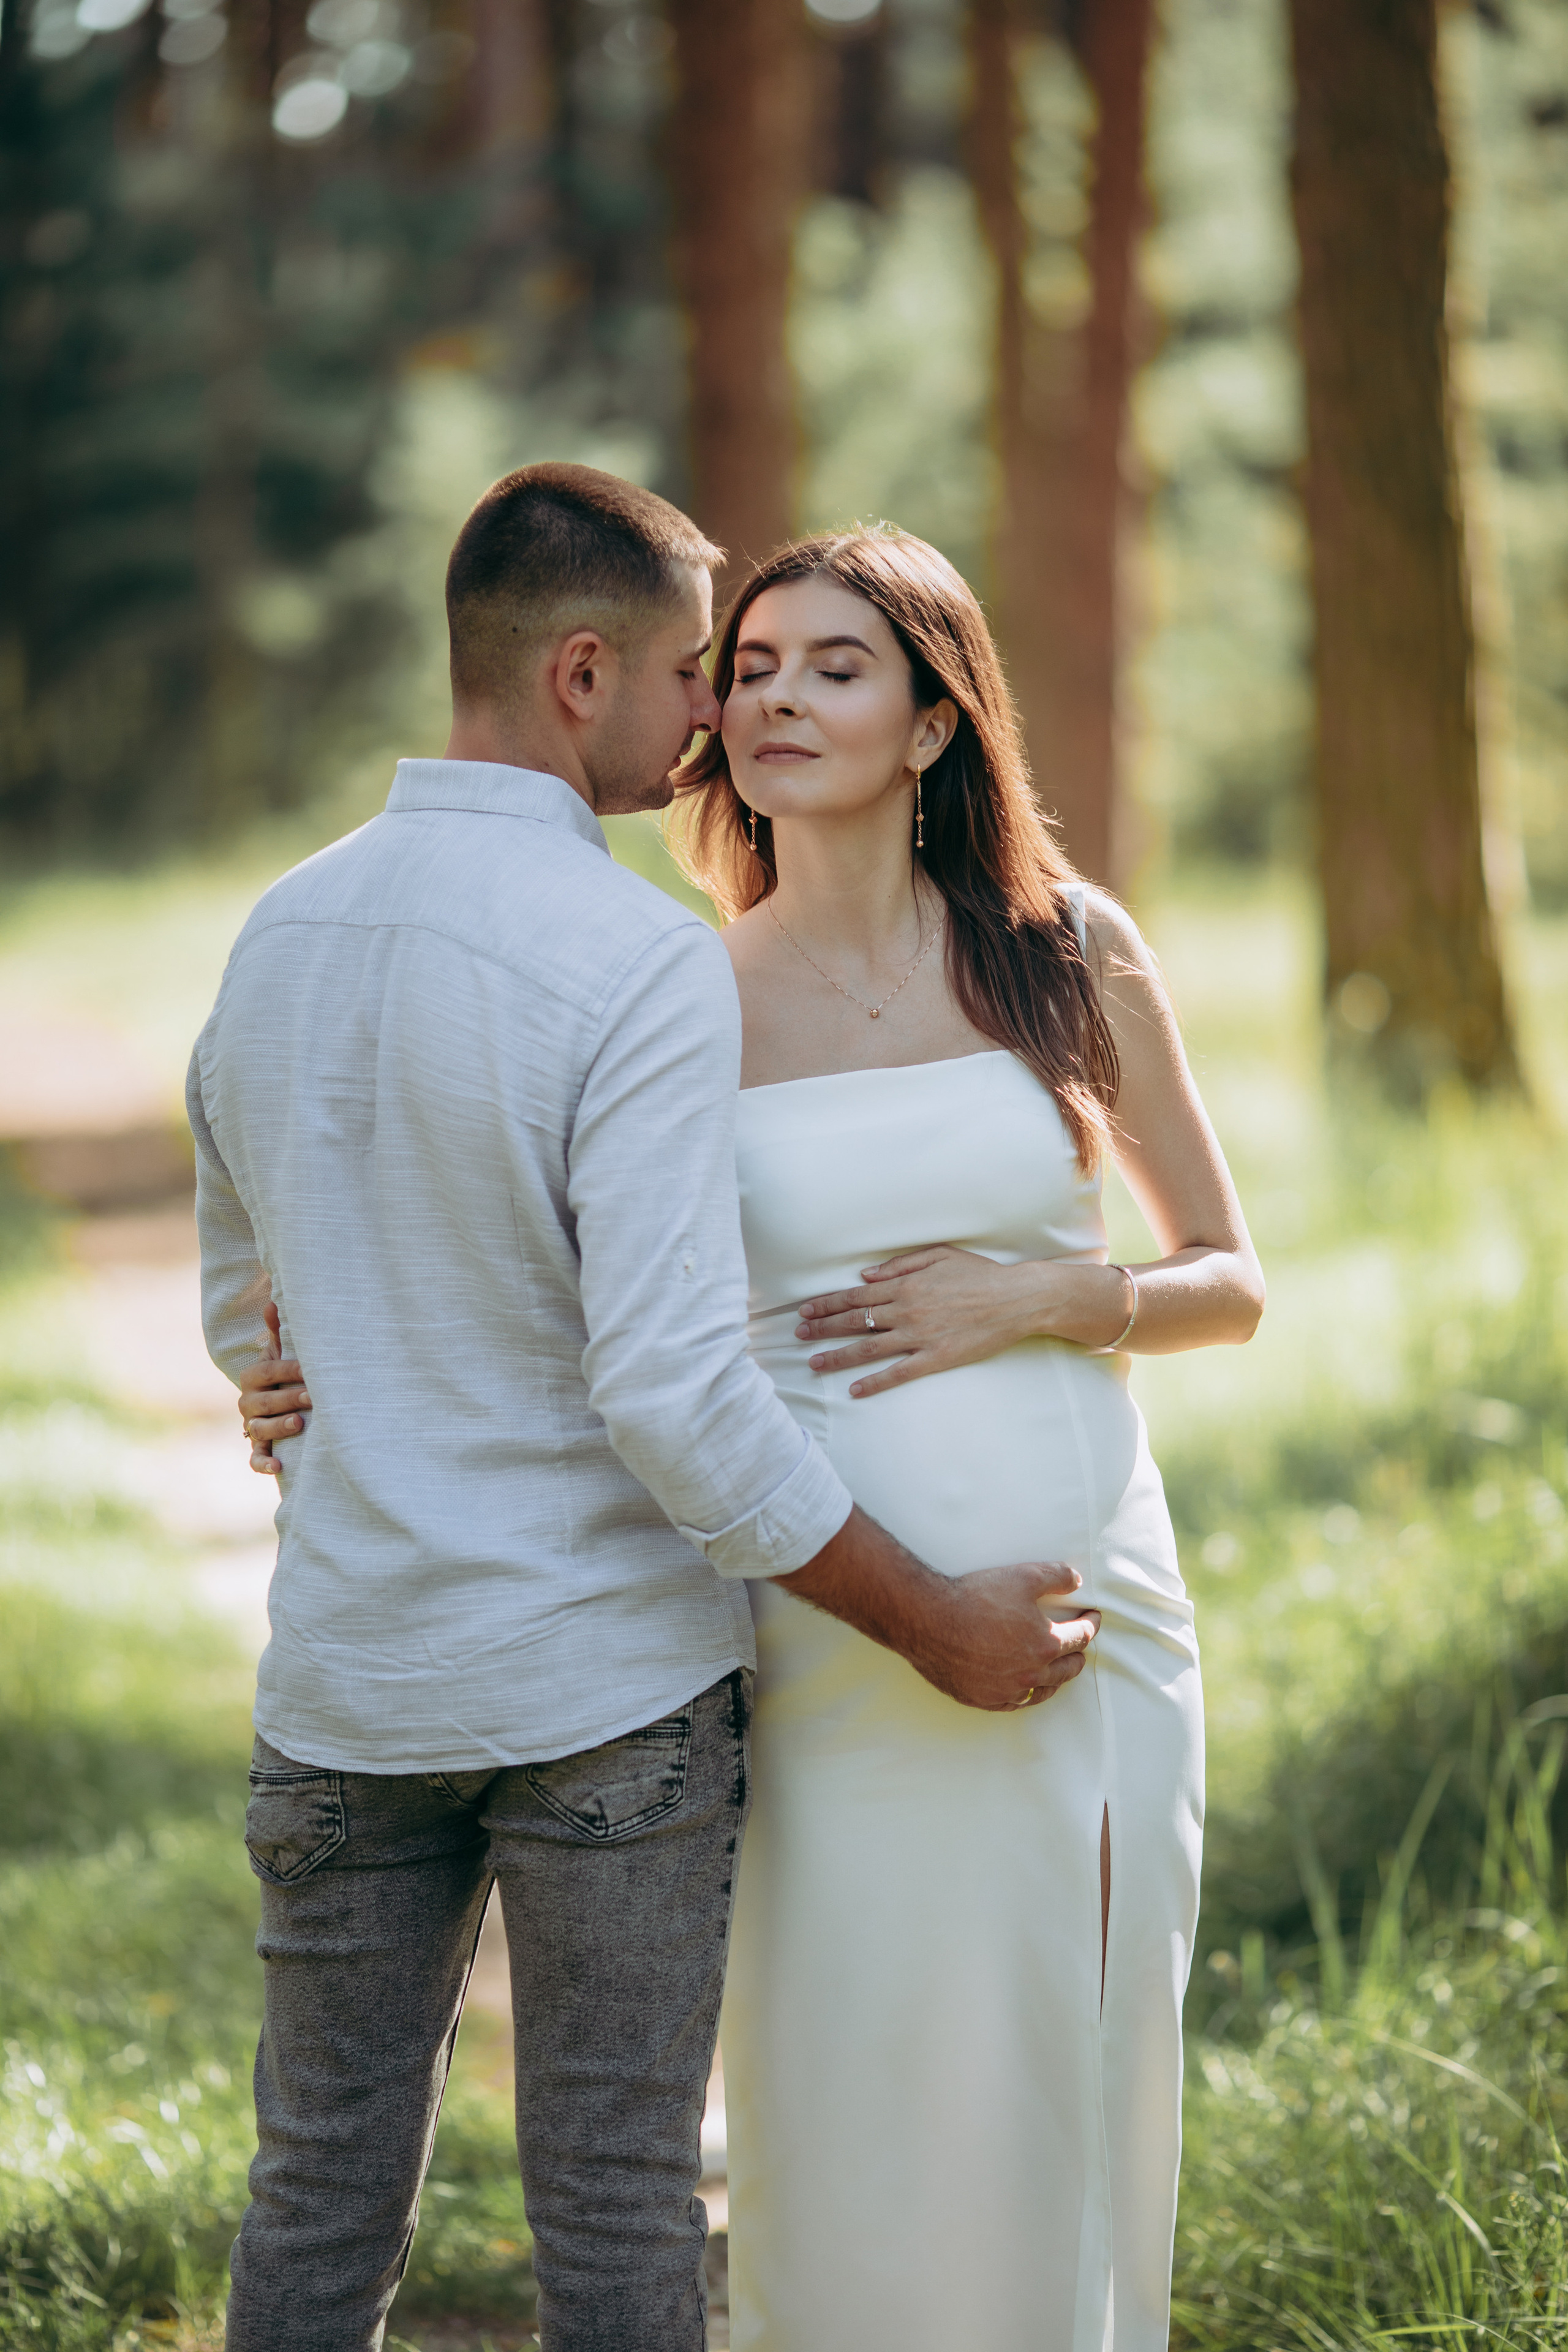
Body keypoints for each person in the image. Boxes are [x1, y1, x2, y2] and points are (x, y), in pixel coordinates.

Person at [190, 470, 1096, 2352]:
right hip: (604, 1696)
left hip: (345, 1683)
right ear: (581, 673)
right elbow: (676, 1395)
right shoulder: (638, 963)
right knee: (614, 2205)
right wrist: (936, 1618)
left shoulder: (276, 932)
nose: (716, 721)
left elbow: (238, 1297)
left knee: (317, 2195)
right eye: (697, 672)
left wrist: (280, 1385)